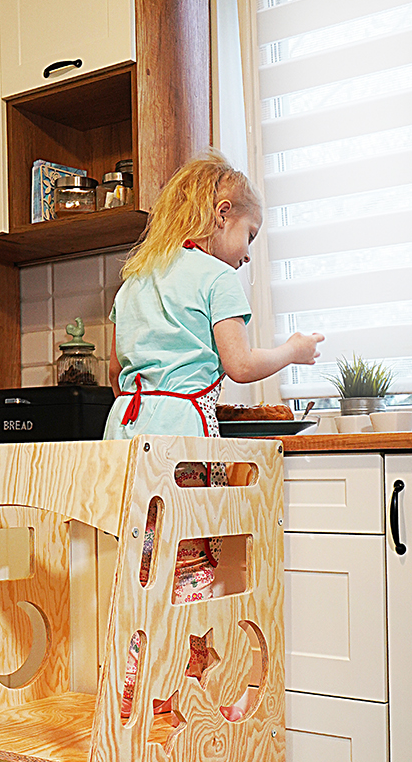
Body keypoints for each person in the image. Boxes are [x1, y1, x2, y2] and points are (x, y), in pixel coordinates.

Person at [106, 152, 324, 718]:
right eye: (249, 235)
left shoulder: (134, 282)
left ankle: (133, 694)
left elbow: (116, 371)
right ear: (222, 213)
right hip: (183, 435)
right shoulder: (217, 279)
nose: (248, 254)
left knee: (138, 568)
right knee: (192, 567)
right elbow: (241, 365)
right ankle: (184, 701)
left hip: (125, 428)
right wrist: (293, 351)